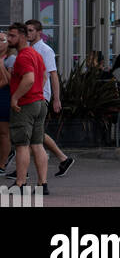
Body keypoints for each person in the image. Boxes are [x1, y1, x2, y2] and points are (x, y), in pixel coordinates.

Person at [20, 22, 75, 177]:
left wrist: (56, 99)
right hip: (32, 95)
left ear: (39, 32)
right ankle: (63, 159)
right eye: (26, 31)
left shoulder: (45, 50)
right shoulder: (29, 49)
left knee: (32, 134)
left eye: (30, 31)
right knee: (37, 134)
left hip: (41, 95)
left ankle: (22, 170)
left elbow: (53, 74)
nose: (28, 33)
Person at [8, 25, 48, 195]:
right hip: (39, 102)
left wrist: (15, 97)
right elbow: (44, 75)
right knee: (37, 144)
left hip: (26, 104)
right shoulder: (35, 54)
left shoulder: (23, 56)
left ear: (23, 37)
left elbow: (29, 79)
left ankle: (20, 183)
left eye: (12, 36)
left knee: (21, 145)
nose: (9, 39)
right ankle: (42, 184)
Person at [0, 30, 12, 172]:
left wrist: (2, 66)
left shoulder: (10, 59)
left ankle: (3, 163)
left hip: (5, 97)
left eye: (1, 40)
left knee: (4, 132)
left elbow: (8, 81)